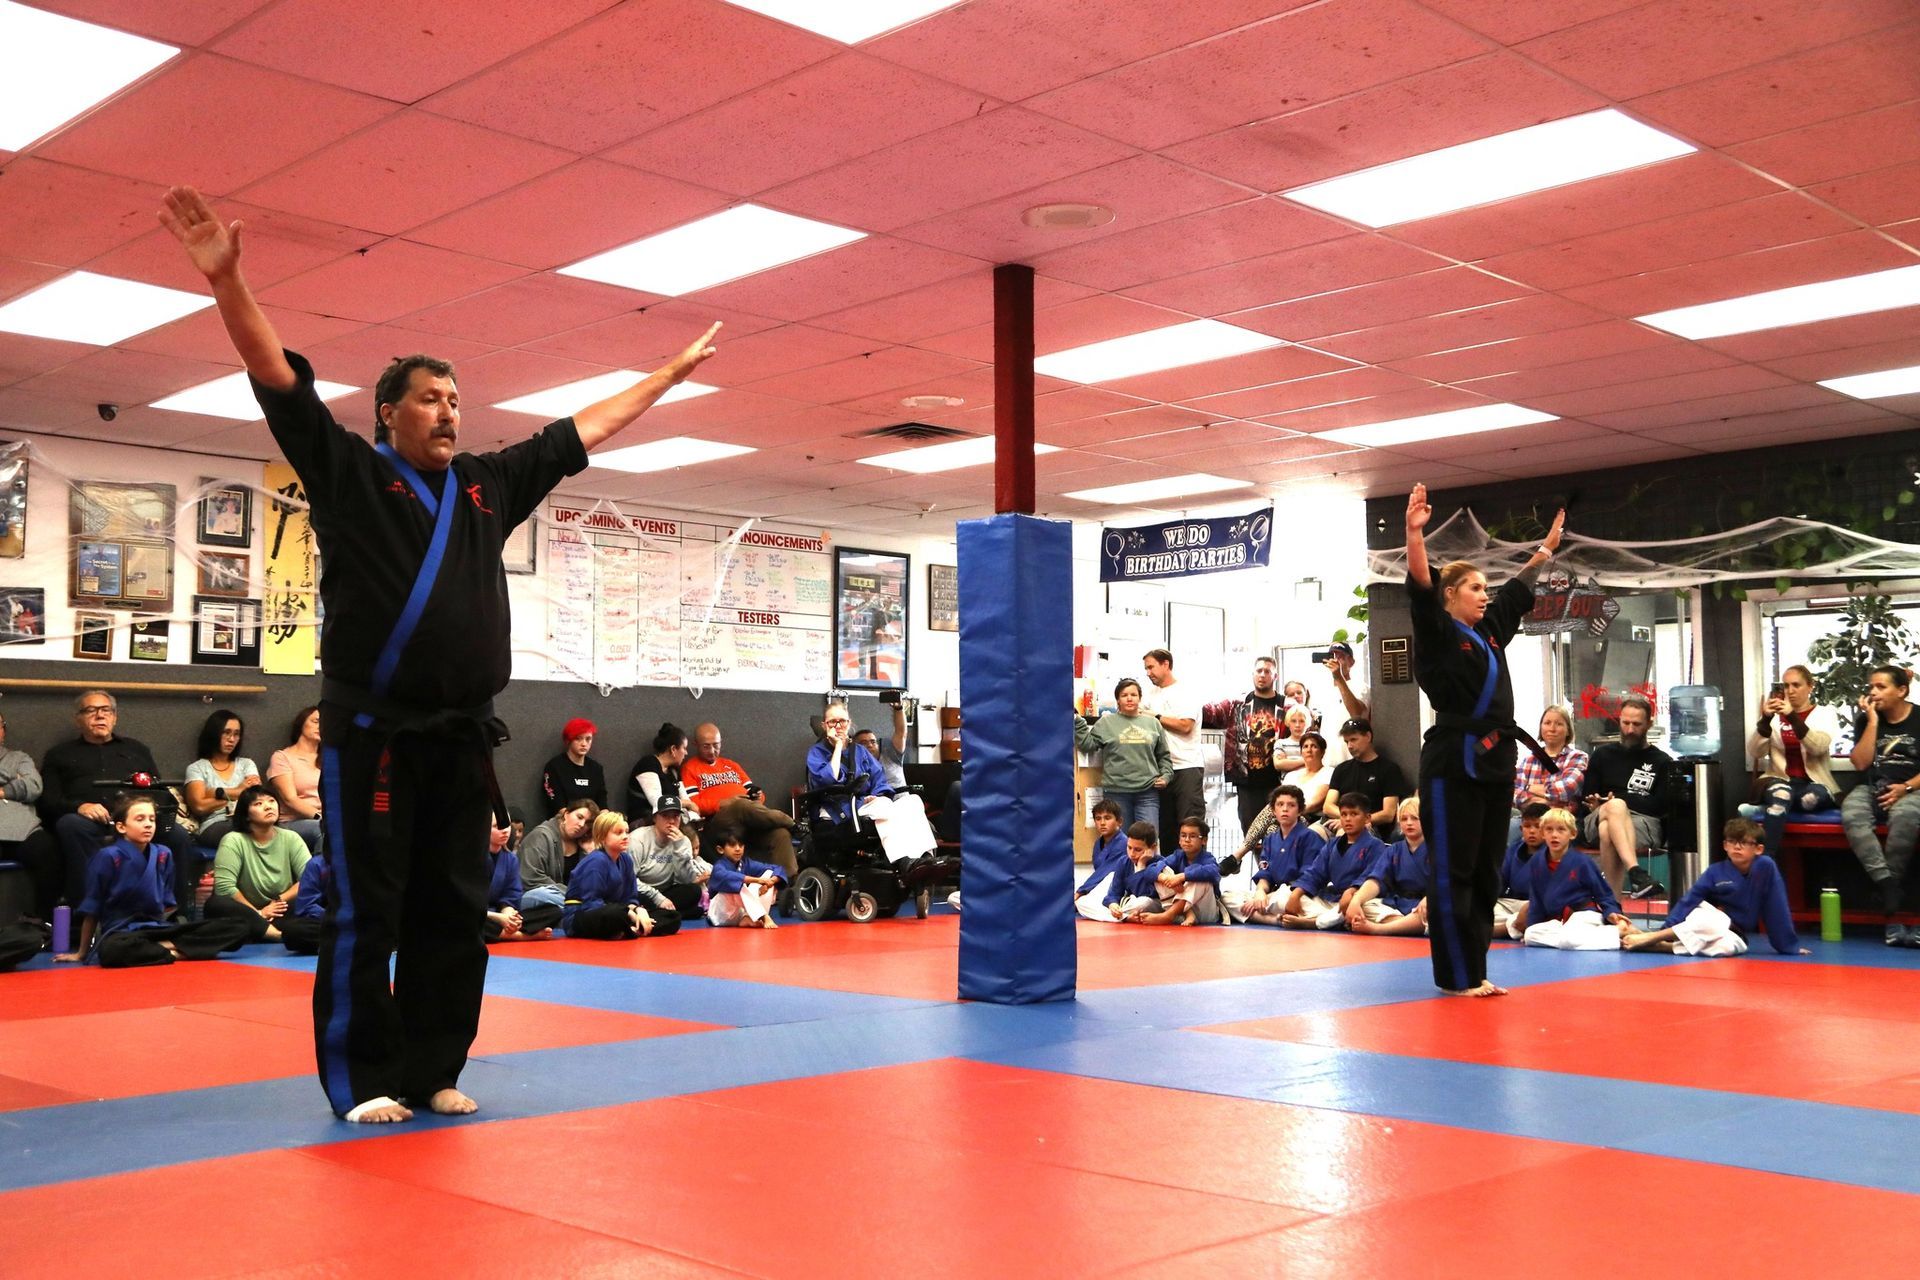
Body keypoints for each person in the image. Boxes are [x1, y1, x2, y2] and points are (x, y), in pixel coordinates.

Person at [162, 181, 719, 1123]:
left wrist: (663, 379)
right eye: (430, 398)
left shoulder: (487, 487)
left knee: (453, 912)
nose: (451, 411)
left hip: (462, 739)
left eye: (457, 399)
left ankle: (432, 1067)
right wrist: (228, 283)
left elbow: (577, 434)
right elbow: (280, 387)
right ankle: (362, 1080)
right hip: (372, 734)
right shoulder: (348, 474)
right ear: (388, 412)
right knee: (366, 911)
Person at [1404, 481, 1567, 996]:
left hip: (1496, 759)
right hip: (1453, 761)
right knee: (1453, 869)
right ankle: (1454, 976)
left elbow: (1517, 592)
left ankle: (1474, 970)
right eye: (1475, 588)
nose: (1485, 595)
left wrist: (1544, 552)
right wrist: (1414, 533)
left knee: (1484, 871)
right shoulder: (1437, 635)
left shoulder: (1491, 632)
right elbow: (1420, 587)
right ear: (1450, 595)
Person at [39, 690, 199, 911]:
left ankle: (177, 913)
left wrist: (141, 811)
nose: (99, 716)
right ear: (78, 719)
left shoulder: (136, 750)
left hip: (137, 818)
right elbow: (48, 801)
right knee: (69, 824)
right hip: (90, 823)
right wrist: (80, 807)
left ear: (115, 717)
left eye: (106, 710)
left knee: (178, 835)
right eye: (91, 711)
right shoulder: (59, 754)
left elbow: (158, 790)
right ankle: (89, 911)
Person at [54, 794, 249, 967]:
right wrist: (82, 952)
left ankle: (164, 950)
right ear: (121, 826)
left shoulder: (163, 854)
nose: (148, 824)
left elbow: (167, 904)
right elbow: (93, 908)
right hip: (123, 933)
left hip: (157, 930)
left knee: (239, 926)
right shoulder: (109, 856)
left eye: (152, 819)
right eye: (140, 819)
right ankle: (181, 951)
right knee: (112, 950)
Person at [1622, 818, 1810, 956]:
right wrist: (1669, 927)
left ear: (1758, 849)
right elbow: (1690, 900)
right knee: (1712, 921)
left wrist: (1787, 946)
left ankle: (1662, 946)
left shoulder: (1765, 867)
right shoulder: (1715, 872)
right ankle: (1656, 937)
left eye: (1744, 843)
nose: (1737, 847)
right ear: (1725, 846)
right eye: (1732, 842)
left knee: (1727, 948)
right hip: (1708, 919)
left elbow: (1776, 905)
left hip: (1734, 932)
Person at [1841, 664, 1920, 946]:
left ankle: (1891, 895)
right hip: (1873, 786)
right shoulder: (1866, 720)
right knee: (1851, 814)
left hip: (1912, 787)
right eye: (1871, 687)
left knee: (1905, 817)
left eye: (1881, 687)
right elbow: (1861, 763)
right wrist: (1872, 722)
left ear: (1901, 690)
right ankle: (1887, 885)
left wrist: (1907, 787)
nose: (1873, 693)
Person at [807, 702, 938, 868]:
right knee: (883, 807)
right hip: (836, 810)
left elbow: (879, 780)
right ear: (824, 725)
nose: (838, 726)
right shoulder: (816, 752)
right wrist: (839, 746)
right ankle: (903, 862)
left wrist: (876, 796)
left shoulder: (860, 752)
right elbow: (828, 779)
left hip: (864, 804)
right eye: (833, 722)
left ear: (849, 723)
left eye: (842, 721)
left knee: (912, 801)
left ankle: (925, 859)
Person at [1580, 693, 1675, 899]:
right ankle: (1636, 873)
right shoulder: (1602, 755)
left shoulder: (1662, 761)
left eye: (1637, 724)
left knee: (1609, 828)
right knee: (1614, 810)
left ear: (1649, 724)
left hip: (1643, 823)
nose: (1630, 729)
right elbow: (1587, 796)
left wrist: (1618, 800)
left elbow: (1659, 806)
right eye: (1625, 723)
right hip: (1597, 816)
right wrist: (1602, 803)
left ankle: (1613, 904)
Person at [1749, 664, 1843, 858]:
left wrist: (1792, 716)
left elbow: (1818, 746)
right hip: (1780, 780)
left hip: (1814, 784)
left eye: (1796, 685)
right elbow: (1755, 752)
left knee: (1810, 799)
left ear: (1810, 686)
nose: (1789, 691)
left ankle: (1788, 803)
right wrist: (1765, 720)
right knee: (1782, 794)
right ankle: (1766, 861)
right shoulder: (1774, 719)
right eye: (1785, 686)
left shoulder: (1825, 714)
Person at [681, 722, 797, 874]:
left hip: (748, 820)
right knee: (740, 805)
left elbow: (758, 795)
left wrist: (757, 797)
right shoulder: (690, 768)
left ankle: (788, 886)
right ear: (696, 745)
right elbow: (694, 805)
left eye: (716, 745)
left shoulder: (731, 765)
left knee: (781, 834)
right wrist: (723, 804)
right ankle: (793, 824)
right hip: (719, 822)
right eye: (706, 746)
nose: (712, 750)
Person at [205, 785, 310, 944]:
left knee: (314, 898)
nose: (268, 806)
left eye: (272, 801)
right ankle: (277, 935)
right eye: (258, 804)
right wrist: (259, 914)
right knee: (216, 904)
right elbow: (224, 887)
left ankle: (261, 932)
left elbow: (309, 879)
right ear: (246, 815)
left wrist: (277, 901)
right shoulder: (233, 840)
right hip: (245, 911)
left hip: (279, 910)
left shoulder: (291, 838)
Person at [1521, 807, 1630, 950]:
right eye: (1549, 830)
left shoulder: (1582, 862)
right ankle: (1599, 938)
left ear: (1572, 834)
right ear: (1543, 834)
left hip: (1584, 915)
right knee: (1530, 934)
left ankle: (1617, 932)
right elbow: (1536, 900)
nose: (1554, 835)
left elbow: (1603, 893)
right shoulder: (1537, 862)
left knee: (1569, 939)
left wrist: (1611, 913)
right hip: (1559, 921)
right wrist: (1532, 924)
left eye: (1561, 830)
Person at [1074, 678, 1171, 833]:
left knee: (1148, 840)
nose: (1129, 698)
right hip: (1116, 792)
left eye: (1134, 694)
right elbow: (1088, 745)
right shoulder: (1105, 723)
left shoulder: (1153, 723)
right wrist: (1078, 722)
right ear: (1118, 700)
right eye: (1124, 695)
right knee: (1120, 843)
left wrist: (1166, 776)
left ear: (1140, 698)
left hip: (1147, 792)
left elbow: (1163, 755)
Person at [1205, 656, 1289, 832]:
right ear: (1253, 674)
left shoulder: (1287, 706)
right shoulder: (1237, 704)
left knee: (1278, 830)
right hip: (1246, 780)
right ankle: (1260, 861)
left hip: (1278, 780)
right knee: (1251, 832)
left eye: (1267, 671)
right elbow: (1210, 713)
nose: (1262, 675)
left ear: (1275, 676)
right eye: (1259, 671)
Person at [1282, 792, 1387, 929]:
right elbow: (1315, 873)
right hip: (1333, 900)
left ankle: (1313, 922)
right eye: (1343, 814)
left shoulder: (1376, 845)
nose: (1348, 819)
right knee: (1284, 897)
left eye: (1354, 814)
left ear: (1367, 818)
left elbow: (1370, 877)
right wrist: (1296, 894)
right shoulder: (1332, 845)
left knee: (1367, 909)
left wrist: (1351, 892)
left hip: (1359, 900)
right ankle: (1334, 921)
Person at [563, 811, 672, 939]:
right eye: (618, 833)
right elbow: (591, 904)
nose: (625, 836)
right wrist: (629, 914)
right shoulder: (596, 861)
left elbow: (630, 898)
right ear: (602, 837)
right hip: (582, 915)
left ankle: (631, 929)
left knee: (672, 917)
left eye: (626, 832)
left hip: (618, 910)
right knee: (615, 915)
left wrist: (638, 910)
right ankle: (631, 929)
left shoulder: (626, 859)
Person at [1228, 785, 1325, 926]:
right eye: (1280, 805)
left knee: (1287, 899)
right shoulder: (1270, 839)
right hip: (1274, 895)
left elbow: (1311, 876)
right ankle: (1275, 920)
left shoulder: (1310, 837)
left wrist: (1293, 895)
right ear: (1273, 810)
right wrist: (1260, 892)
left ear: (1300, 811)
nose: (1285, 809)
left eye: (1291, 805)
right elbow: (1265, 872)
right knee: (1229, 897)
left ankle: (1300, 919)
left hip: (1298, 895)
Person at [1141, 648, 1205, 853]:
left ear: (1166, 664)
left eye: (1151, 667)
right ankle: (1170, 878)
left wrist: (1156, 717)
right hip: (1161, 770)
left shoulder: (1186, 691)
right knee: (1166, 828)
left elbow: (1186, 726)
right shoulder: (1150, 694)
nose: (1148, 672)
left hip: (1186, 765)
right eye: (1146, 669)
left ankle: (1195, 876)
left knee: (1189, 826)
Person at [0, 712, 59, 923]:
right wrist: (11, 779)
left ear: (3, 732)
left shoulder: (19, 758)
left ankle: (43, 924)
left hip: (23, 831)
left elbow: (33, 786)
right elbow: (22, 785)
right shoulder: (13, 767)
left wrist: (3, 791)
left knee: (49, 851)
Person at [1349, 797, 1431, 936]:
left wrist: (1430, 899)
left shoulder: (1438, 850)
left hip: (1425, 903)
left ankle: (1381, 928)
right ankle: (1405, 925)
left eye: (1415, 818)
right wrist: (1356, 901)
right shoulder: (1394, 850)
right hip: (1399, 904)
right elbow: (1376, 880)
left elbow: (1445, 883)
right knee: (1366, 905)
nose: (1409, 823)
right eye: (1404, 819)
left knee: (1433, 910)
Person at [184, 708, 263, 849]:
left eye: (236, 734)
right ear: (214, 734)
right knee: (248, 831)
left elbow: (256, 797)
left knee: (280, 832)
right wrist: (238, 794)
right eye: (226, 733)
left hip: (249, 819)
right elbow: (199, 806)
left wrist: (214, 792)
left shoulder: (246, 764)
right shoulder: (197, 768)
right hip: (214, 824)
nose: (232, 739)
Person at [1509, 705, 1588, 843]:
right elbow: (1513, 793)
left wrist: (1531, 789)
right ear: (1541, 728)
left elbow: (1567, 789)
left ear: (1568, 730)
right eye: (1547, 723)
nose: (1552, 728)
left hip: (1562, 819)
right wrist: (1549, 800)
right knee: (1510, 829)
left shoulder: (1578, 757)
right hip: (1530, 819)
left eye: (1558, 724)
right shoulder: (1529, 760)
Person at [1323, 719, 1408, 837]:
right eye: (1346, 741)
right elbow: (1328, 806)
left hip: (1371, 826)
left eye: (1353, 740)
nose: (1349, 746)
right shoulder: (1341, 769)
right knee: (1312, 833)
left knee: (1344, 834)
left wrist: (1354, 822)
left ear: (1368, 736)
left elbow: (1388, 814)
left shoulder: (1389, 769)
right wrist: (1347, 819)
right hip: (1339, 822)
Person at [517, 797, 595, 923]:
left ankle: (583, 916)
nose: (581, 825)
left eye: (587, 823)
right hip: (532, 896)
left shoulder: (581, 845)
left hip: (568, 901)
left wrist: (588, 853)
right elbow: (530, 879)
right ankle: (588, 915)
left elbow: (588, 884)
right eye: (579, 817)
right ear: (566, 814)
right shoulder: (540, 836)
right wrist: (571, 895)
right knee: (542, 895)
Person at [631, 797, 711, 918]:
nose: (672, 821)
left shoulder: (683, 842)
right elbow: (630, 879)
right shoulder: (637, 840)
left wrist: (680, 849)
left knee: (694, 891)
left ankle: (660, 914)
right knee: (635, 897)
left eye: (675, 816)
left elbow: (686, 880)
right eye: (665, 816)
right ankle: (669, 914)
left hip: (666, 891)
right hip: (642, 891)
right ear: (654, 818)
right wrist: (658, 898)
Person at [1073, 821, 1168, 923]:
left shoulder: (1160, 864)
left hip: (1148, 904)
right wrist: (1112, 904)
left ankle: (1119, 916)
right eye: (1129, 847)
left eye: (1138, 850)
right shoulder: (1123, 862)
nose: (1132, 854)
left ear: (1152, 847)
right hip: (1127, 906)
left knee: (1144, 902)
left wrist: (1141, 866)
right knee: (1081, 903)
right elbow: (1113, 893)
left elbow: (1144, 894)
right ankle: (1125, 917)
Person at [483, 820, 559, 942]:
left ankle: (503, 932)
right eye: (496, 826)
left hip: (500, 914)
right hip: (482, 915)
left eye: (506, 825)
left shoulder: (511, 859)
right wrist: (499, 918)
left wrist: (508, 914)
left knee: (553, 911)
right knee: (465, 920)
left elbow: (511, 894)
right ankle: (520, 936)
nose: (505, 830)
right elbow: (467, 904)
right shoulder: (472, 858)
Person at [1141, 817, 1222, 925]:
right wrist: (1166, 878)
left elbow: (1214, 872)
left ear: (1204, 840)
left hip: (1205, 912)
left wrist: (1182, 877)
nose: (1187, 840)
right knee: (1162, 871)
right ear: (1179, 840)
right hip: (1182, 915)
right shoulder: (1177, 856)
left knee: (1201, 878)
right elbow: (1149, 871)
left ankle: (1168, 916)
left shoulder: (1208, 858)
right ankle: (1185, 915)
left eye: (1192, 836)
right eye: (1183, 836)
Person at [266, 706, 324, 853]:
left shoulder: (327, 759)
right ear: (301, 723)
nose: (320, 726)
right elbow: (290, 799)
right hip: (291, 822)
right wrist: (320, 817)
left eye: (324, 722)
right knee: (324, 830)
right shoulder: (282, 757)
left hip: (326, 818)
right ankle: (319, 875)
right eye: (315, 721)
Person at [705, 827, 785, 928]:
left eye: (741, 845)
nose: (738, 849)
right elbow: (731, 878)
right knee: (738, 885)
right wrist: (758, 880)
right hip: (719, 915)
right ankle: (764, 916)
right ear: (720, 849)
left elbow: (776, 868)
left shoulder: (746, 863)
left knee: (769, 873)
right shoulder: (718, 867)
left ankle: (748, 918)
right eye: (732, 845)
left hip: (739, 913)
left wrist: (770, 881)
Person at [1496, 802, 1551, 939]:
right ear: (1521, 829)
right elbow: (1499, 883)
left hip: (1538, 905)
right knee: (1479, 909)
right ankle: (1511, 926)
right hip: (1513, 904)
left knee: (1536, 914)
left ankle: (1499, 930)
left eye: (1537, 826)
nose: (1532, 831)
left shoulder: (1554, 852)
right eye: (1527, 826)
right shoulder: (1513, 850)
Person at [627, 722, 697, 827]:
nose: (686, 753)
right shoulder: (648, 764)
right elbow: (659, 803)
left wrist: (692, 812)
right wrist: (688, 804)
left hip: (670, 819)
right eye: (684, 748)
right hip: (645, 821)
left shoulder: (674, 771)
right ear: (673, 749)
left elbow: (686, 800)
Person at [541, 716, 607, 815]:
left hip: (592, 823)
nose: (584, 744)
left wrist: (605, 822)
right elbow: (557, 804)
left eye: (588, 739)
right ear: (568, 740)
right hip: (563, 822)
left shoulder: (596, 769)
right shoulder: (555, 766)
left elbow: (602, 803)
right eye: (578, 739)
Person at [1072, 799, 1129, 908]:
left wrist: (1080, 892)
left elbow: (1105, 872)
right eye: (1098, 819)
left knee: (1081, 903)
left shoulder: (1123, 843)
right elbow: (1098, 872)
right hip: (1102, 886)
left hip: (1119, 888)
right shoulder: (1098, 844)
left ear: (1119, 821)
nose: (1102, 823)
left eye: (1107, 818)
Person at [853, 696, 910, 791]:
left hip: (900, 800)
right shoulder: (855, 766)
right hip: (877, 802)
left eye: (873, 742)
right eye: (864, 743)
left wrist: (898, 708)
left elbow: (901, 733)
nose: (870, 745)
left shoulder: (892, 755)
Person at [282, 847, 329, 956]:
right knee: (292, 931)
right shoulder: (317, 864)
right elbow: (306, 906)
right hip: (329, 920)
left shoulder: (364, 863)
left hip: (363, 920)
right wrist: (333, 916)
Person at [1282, 730, 1334, 820]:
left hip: (1309, 818)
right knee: (1272, 828)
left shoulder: (1329, 772)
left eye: (1314, 746)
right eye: (1305, 747)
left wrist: (1291, 813)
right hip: (1286, 816)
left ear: (1322, 752)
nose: (1309, 750)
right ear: (1301, 752)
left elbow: (1315, 804)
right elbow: (1280, 800)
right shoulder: (1290, 776)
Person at [1324, 641, 1370, 723]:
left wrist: (1339, 677)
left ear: (1351, 662)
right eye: (1332, 656)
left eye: (1340, 657)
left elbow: (1358, 715)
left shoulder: (1361, 687)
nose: (1335, 660)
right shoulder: (1324, 689)